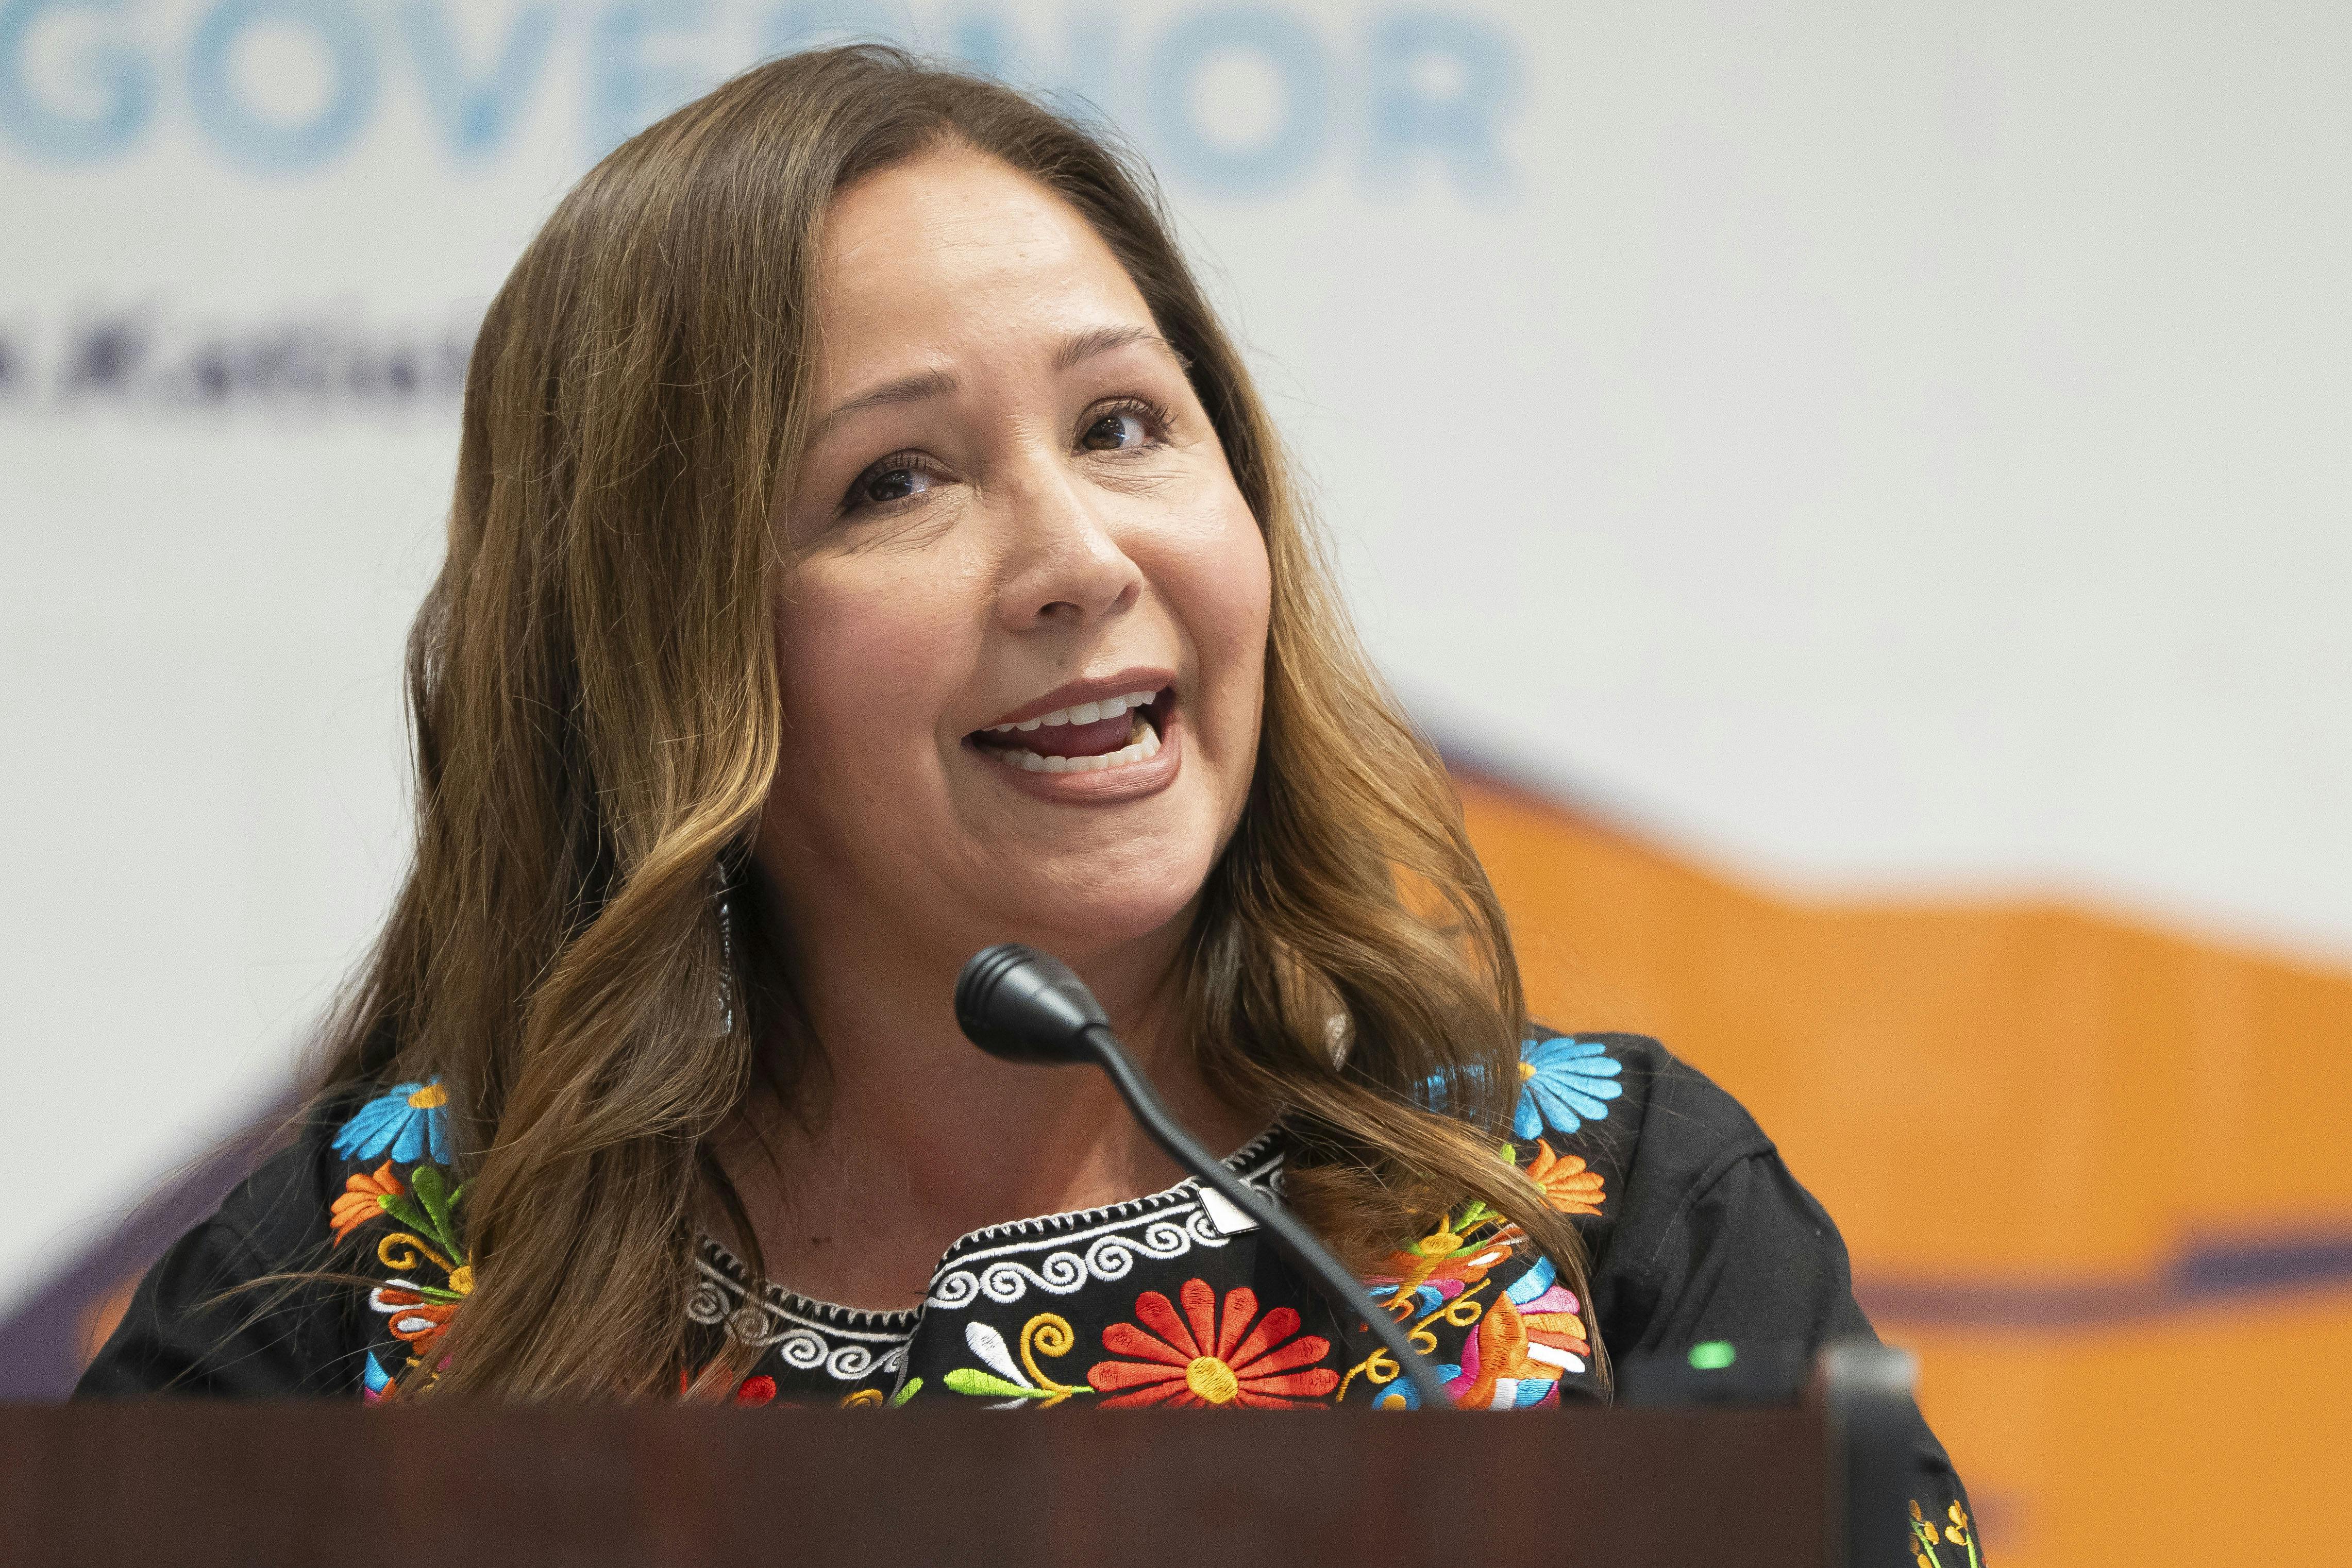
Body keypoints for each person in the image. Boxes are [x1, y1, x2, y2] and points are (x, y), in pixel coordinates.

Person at [80, 41, 1973, 1549]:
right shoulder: (362, 1279)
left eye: (1122, 424)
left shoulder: (1593, 1209)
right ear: (664, 652)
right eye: (893, 480)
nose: (1075, 554)